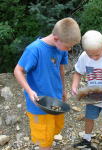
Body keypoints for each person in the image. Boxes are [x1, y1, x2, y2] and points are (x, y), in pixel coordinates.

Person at [14, 17, 81, 150]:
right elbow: (18, 70)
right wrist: (29, 91)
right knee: (44, 138)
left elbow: (61, 69)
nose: (69, 49)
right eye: (68, 46)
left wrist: (63, 90)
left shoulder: (61, 48)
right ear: (56, 38)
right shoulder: (34, 49)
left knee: (54, 129)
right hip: (39, 103)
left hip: (56, 100)